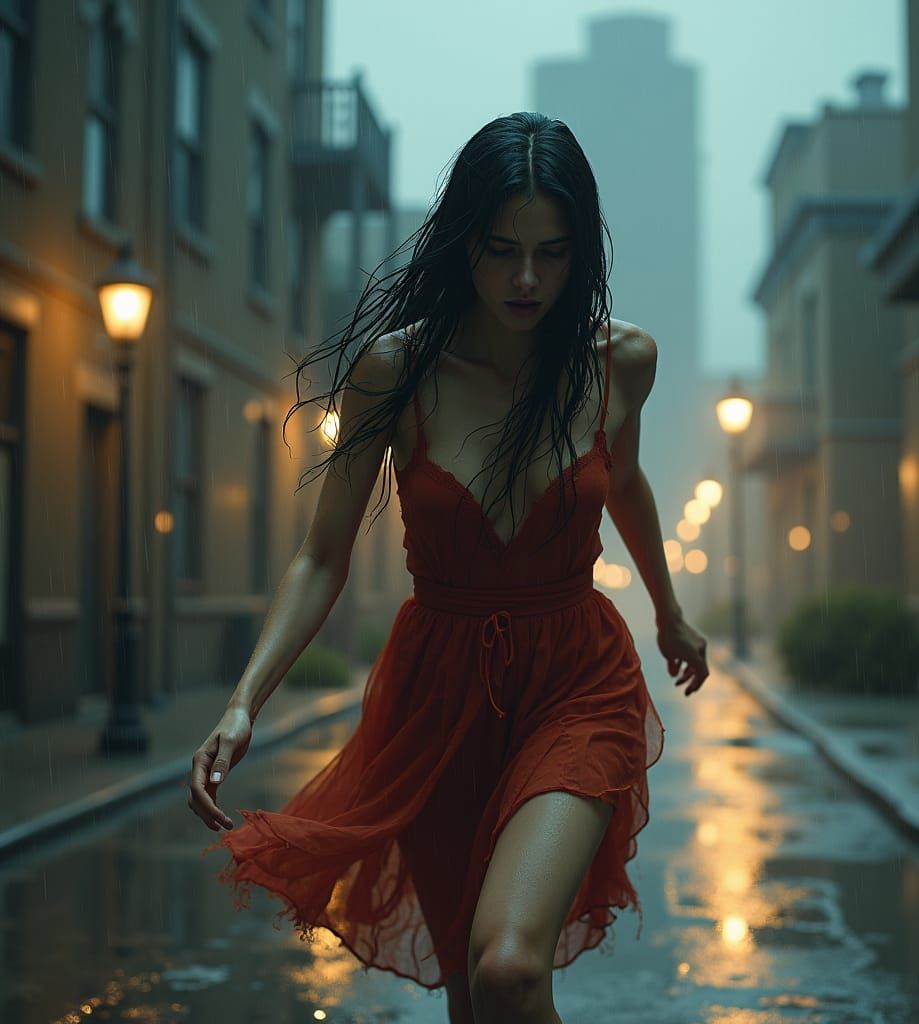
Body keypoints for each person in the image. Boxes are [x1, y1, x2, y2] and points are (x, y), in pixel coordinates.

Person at [188, 111, 710, 1024]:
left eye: (552, 253)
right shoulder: (398, 370)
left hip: (574, 682)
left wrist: (667, 609)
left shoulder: (621, 361)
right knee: (473, 1000)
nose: (525, 279)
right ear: (462, 238)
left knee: (510, 967)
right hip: (437, 697)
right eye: (501, 248)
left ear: (580, 251)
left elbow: (622, 481)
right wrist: (244, 701)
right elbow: (321, 554)